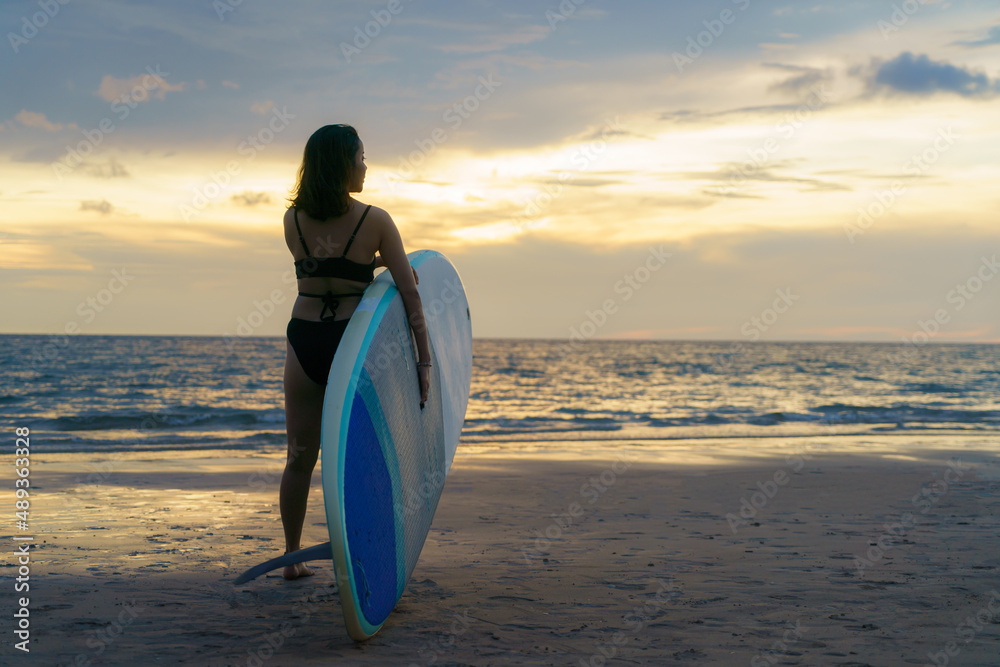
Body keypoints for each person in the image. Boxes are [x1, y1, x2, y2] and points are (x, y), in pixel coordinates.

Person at [280, 124, 430, 579]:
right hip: (353, 344)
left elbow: (326, 269)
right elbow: (411, 295)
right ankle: (363, 553)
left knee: (299, 456)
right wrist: (424, 361)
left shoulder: (293, 220)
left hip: (303, 340)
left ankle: (291, 557)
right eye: (361, 157)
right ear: (343, 162)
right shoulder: (375, 220)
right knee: (361, 457)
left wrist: (369, 262)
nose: (366, 165)